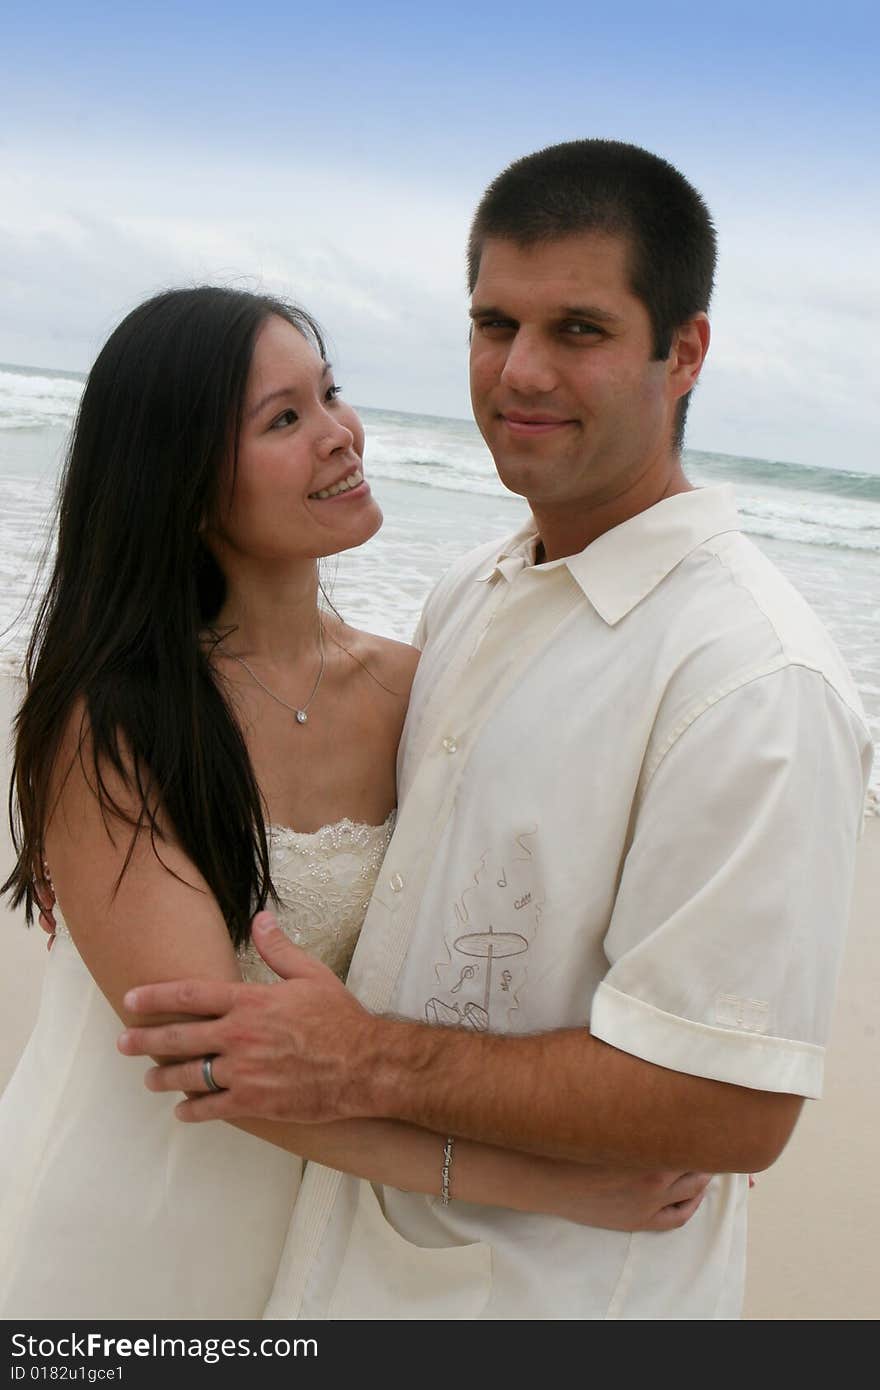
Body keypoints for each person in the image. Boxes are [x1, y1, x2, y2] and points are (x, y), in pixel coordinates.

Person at [123, 141, 873, 1320]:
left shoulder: (751, 681)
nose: (518, 372)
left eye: (578, 328)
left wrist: (360, 1057)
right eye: (492, 323)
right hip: (342, 1273)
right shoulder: (471, 590)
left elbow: (732, 1108)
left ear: (682, 352)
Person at [0, 284, 710, 1321]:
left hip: (331, 1244)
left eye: (329, 395)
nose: (340, 436)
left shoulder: (416, 689)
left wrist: (690, 1074)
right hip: (123, 1223)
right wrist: (557, 1182)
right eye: (283, 420)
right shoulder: (112, 723)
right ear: (184, 482)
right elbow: (212, 1064)